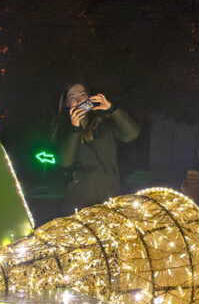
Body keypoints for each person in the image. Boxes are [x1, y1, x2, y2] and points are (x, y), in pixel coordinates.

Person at [54, 82, 141, 211]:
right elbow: (66, 161)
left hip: (110, 198)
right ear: (67, 104)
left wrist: (112, 109)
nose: (78, 100)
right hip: (81, 202)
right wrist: (74, 129)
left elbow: (132, 134)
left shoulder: (104, 122)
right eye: (73, 98)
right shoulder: (63, 129)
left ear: (90, 99)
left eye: (83, 95)